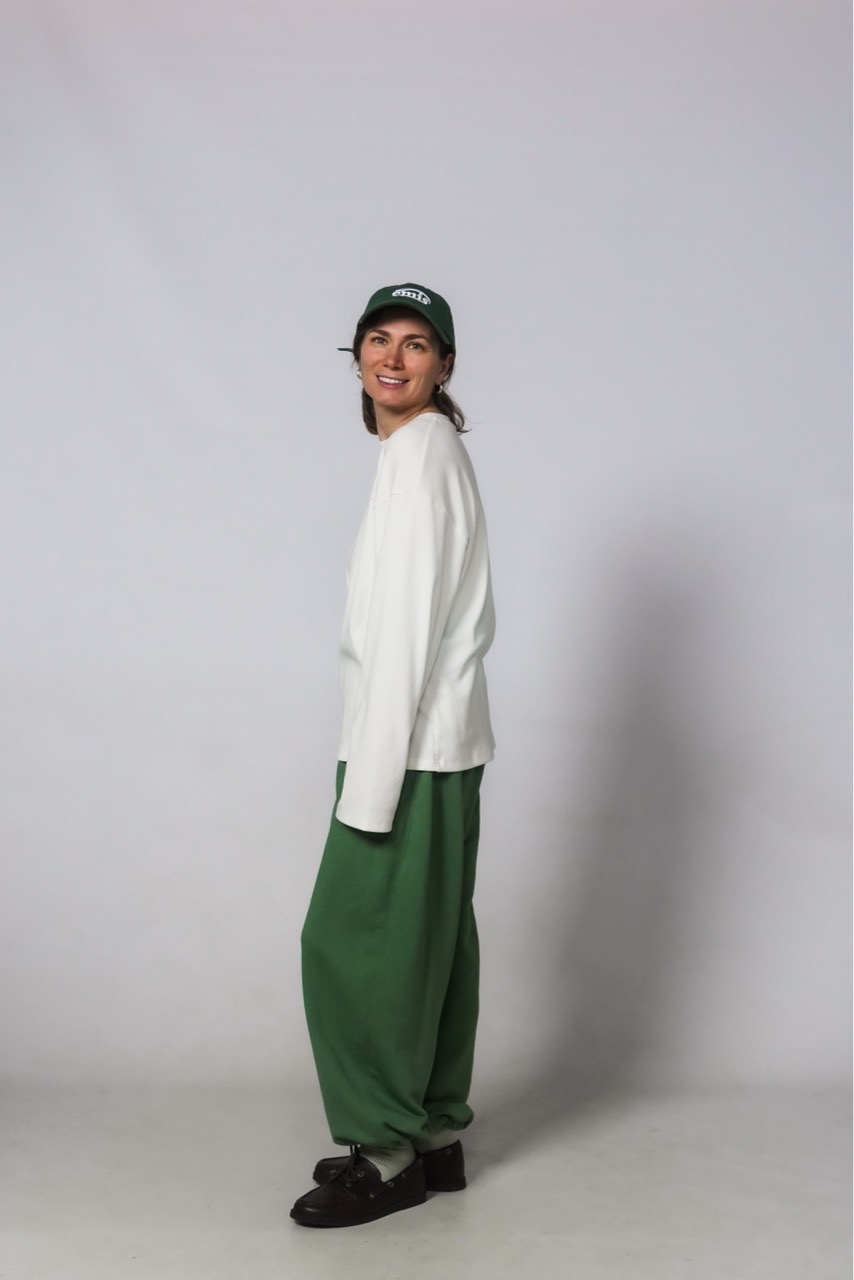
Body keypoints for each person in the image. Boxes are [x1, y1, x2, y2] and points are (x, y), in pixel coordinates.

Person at [290, 283, 495, 1229]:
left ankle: (385, 1151)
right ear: (358, 357)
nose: (394, 357)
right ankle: (436, 1133)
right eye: (378, 339)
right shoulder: (427, 453)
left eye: (417, 344)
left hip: (403, 752)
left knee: (350, 947)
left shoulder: (419, 458)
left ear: (443, 366)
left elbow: (404, 634)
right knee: (431, 941)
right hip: (441, 745)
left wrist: (369, 788)